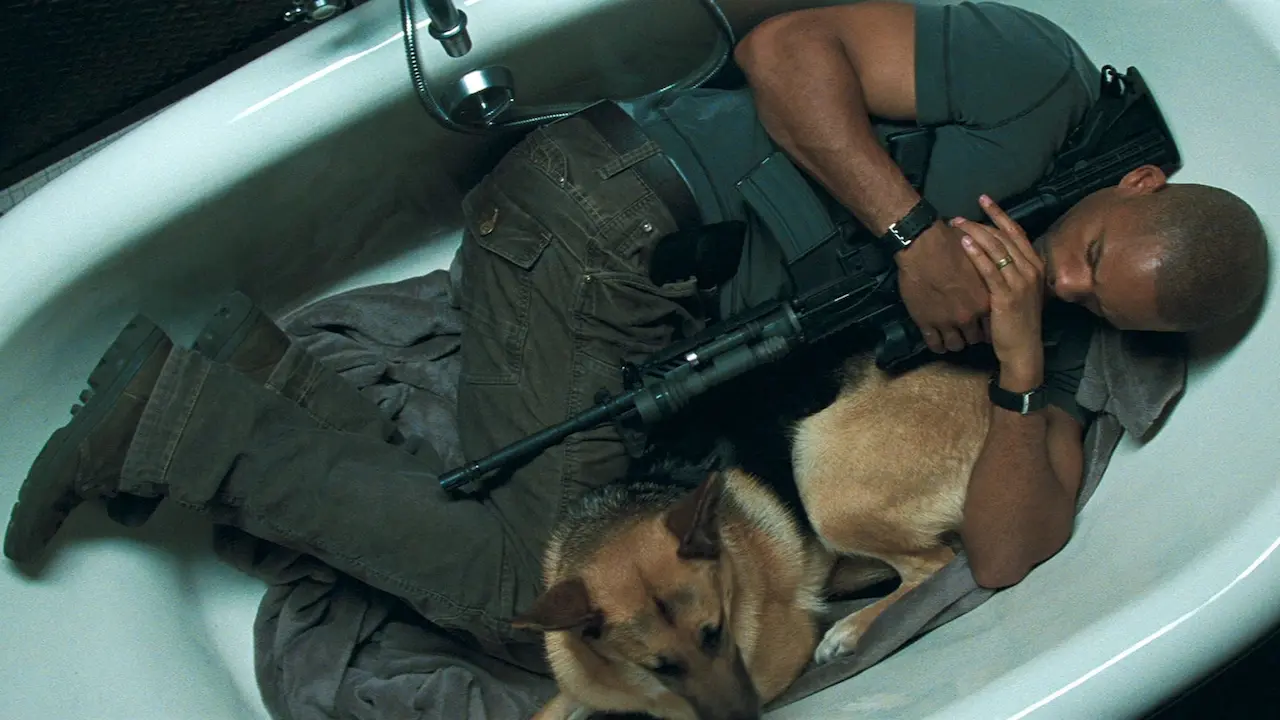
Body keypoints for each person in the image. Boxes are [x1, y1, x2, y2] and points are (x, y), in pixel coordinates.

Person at [5, 0, 1267, 694]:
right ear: (1135, 181)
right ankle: (179, 421)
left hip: (646, 312)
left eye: (1099, 303)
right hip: (610, 216)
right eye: (1091, 251)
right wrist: (909, 232)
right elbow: (784, 47)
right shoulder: (1036, 85)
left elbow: (1002, 551)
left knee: (545, 544)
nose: (1059, 277)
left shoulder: (1043, 319)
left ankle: (261, 377)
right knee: (533, 597)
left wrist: (1022, 365)